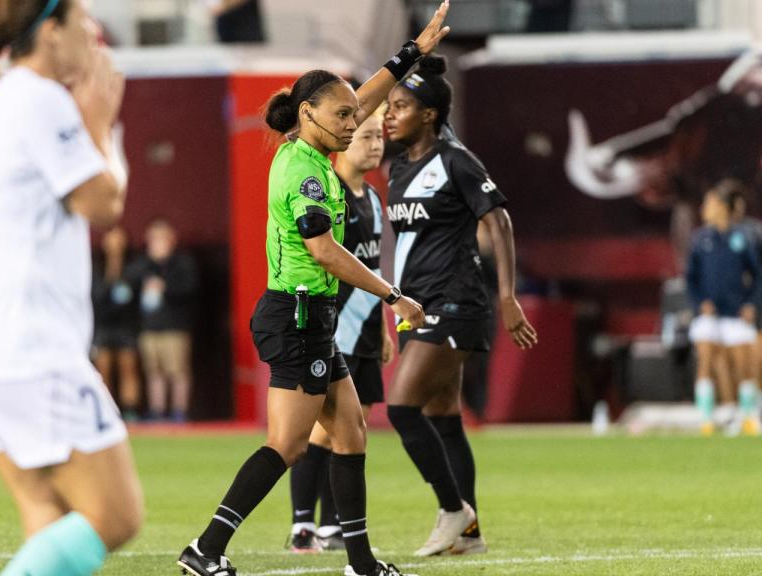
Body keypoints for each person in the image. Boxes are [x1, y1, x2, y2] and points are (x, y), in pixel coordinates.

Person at [177, 4, 450, 575]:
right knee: (288, 444)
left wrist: (411, 53)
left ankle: (361, 564)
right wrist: (392, 295)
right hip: (296, 316)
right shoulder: (303, 170)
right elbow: (323, 250)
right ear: (308, 113)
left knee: (351, 434)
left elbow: (364, 97)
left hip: (312, 318)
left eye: (355, 115)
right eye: (343, 115)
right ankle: (206, 549)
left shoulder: (315, 150)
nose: (355, 123)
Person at [0, 1, 142, 575]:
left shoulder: (0, 102)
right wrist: (100, 125)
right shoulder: (39, 100)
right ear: (50, 32)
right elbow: (104, 204)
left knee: (48, 517)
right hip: (29, 349)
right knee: (116, 515)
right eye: (82, 23)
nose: (93, 35)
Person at [383, 54, 538, 557]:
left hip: (455, 302)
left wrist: (507, 296)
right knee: (444, 416)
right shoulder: (399, 167)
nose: (388, 115)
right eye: (388, 106)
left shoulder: (455, 160)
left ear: (429, 114)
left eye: (400, 106)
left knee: (401, 408)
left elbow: (499, 221)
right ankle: (469, 536)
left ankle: (453, 510)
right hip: (416, 306)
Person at [285, 105, 393, 553]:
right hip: (332, 327)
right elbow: (324, 258)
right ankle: (302, 524)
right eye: (366, 136)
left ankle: (332, 525)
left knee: (353, 429)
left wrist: (382, 328)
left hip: (365, 327)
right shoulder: (330, 193)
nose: (374, 144)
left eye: (379, 137)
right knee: (320, 430)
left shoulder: (373, 199)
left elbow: (373, 268)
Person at [686, 180, 762, 437]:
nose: (704, 208)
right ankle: (706, 419)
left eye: (709, 203)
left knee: (744, 366)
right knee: (706, 360)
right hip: (708, 315)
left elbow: (759, 274)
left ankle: (748, 417)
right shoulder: (700, 240)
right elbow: (690, 279)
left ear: (721, 206)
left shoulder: (742, 237)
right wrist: (700, 303)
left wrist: (751, 303)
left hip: (735, 312)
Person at [129, 219, 198, 422]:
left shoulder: (182, 263)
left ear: (171, 240)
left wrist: (164, 286)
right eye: (153, 239)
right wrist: (150, 265)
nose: (156, 243)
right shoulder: (143, 264)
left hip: (174, 328)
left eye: (161, 238)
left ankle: (179, 410)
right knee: (153, 371)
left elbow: (189, 289)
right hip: (149, 327)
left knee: (177, 370)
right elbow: (130, 282)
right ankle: (157, 410)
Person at [728, 184, 762, 434]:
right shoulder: (713, 234)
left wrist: (754, 301)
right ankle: (741, 410)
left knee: (760, 356)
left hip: (755, 303)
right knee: (735, 360)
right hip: (729, 306)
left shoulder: (755, 231)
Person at [92, 226, 143, 421]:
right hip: (103, 326)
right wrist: (112, 269)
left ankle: (129, 411)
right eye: (111, 239)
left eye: (118, 239)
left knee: (128, 368)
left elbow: (133, 298)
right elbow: (98, 296)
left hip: (126, 326)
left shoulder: (133, 268)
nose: (114, 243)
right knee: (103, 369)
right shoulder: (96, 268)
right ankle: (106, 411)